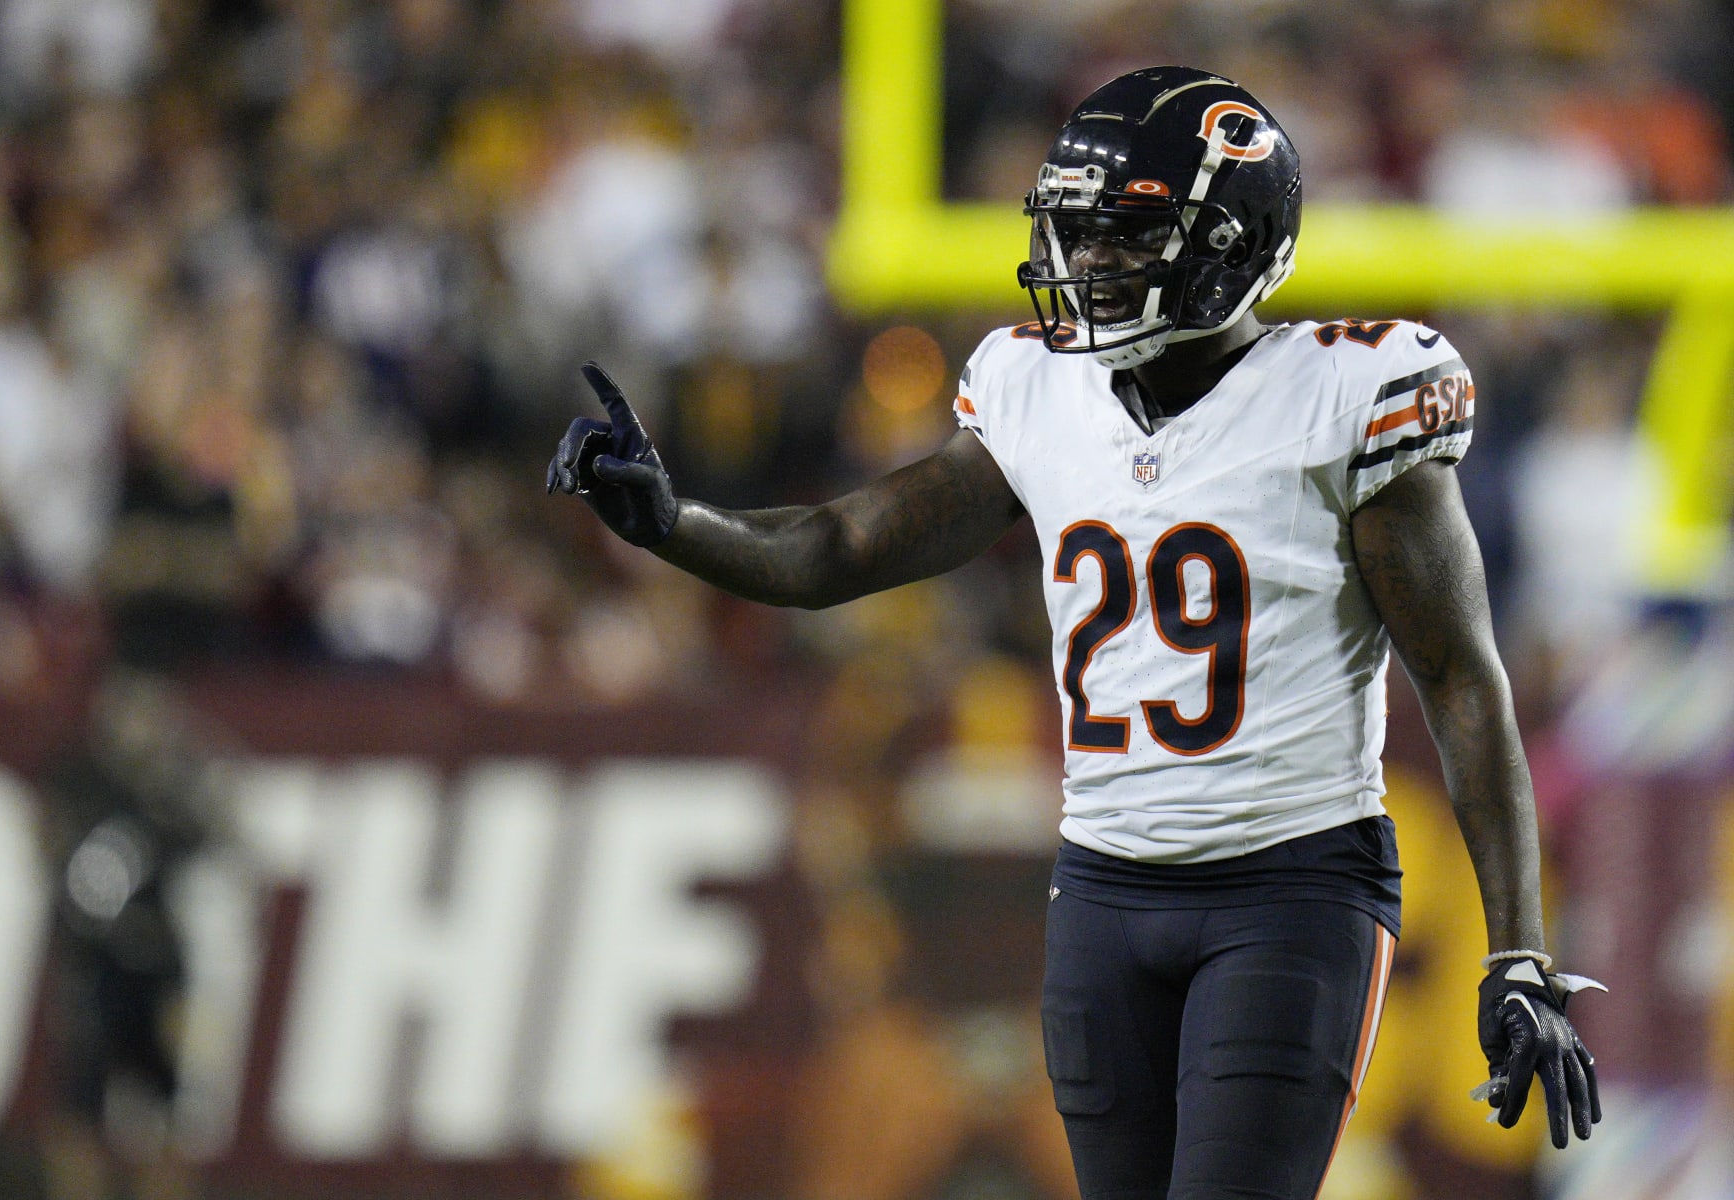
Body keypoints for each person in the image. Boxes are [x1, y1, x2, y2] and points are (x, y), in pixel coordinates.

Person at [547, 65, 1603, 1200]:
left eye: (1126, 233)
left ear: (1233, 244)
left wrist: (1520, 951)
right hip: (1103, 890)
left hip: (1288, 892)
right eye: (1075, 232)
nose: (1086, 261)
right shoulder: (1034, 389)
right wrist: (676, 525)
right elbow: (840, 550)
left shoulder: (1347, 394)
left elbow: (1460, 680)